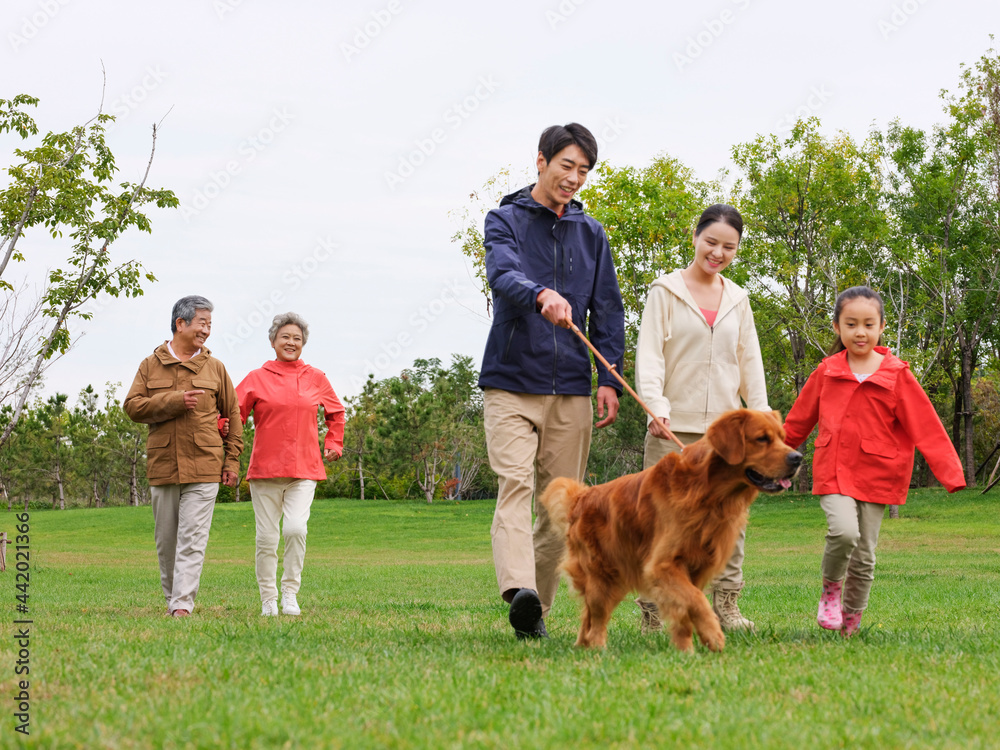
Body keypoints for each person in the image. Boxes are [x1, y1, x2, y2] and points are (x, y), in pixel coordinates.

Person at [478, 122, 625, 640]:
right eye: (567, 166)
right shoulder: (505, 219)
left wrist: (609, 377)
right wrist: (540, 293)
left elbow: (607, 309)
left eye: (584, 170)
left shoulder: (593, 233)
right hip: (511, 382)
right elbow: (502, 273)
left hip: (572, 389)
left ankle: (531, 613)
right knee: (516, 486)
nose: (575, 178)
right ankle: (519, 589)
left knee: (563, 509)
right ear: (541, 161)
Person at [783, 285, 965, 636]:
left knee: (864, 555)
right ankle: (831, 592)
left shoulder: (896, 374)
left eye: (868, 324)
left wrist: (951, 474)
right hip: (833, 469)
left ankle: (850, 623)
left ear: (882, 327)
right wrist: (766, 464)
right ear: (837, 328)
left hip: (878, 474)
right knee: (843, 532)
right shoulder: (827, 371)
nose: (860, 332)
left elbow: (926, 427)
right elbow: (797, 422)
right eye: (851, 324)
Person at [634, 204, 769, 633]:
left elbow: (750, 362)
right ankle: (654, 612)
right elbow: (650, 354)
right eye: (711, 242)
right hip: (673, 427)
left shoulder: (738, 298)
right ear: (695, 237)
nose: (718, 252)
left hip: (728, 436)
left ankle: (727, 606)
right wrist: (656, 406)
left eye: (729, 247)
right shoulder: (665, 291)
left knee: (731, 521)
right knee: (660, 522)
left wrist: (761, 419)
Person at [124, 295, 243, 617]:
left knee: (192, 538)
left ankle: (181, 606)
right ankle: (172, 599)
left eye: (209, 325)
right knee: (167, 542)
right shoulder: (150, 365)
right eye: (202, 323)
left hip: (205, 466)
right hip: (163, 466)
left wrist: (231, 462)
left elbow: (234, 416)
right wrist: (173, 401)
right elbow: (132, 407)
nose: (206, 331)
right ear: (181, 323)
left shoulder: (216, 368)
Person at [235, 312, 344, 617]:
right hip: (264, 471)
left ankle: (290, 593)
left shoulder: (316, 377)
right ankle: (268, 598)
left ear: (303, 343)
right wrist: (222, 435)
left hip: (304, 470)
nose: (291, 342)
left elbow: (336, 413)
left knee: (296, 529)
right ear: (273, 342)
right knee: (267, 537)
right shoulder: (256, 378)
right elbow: (234, 414)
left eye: (297, 338)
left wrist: (333, 443)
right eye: (285, 337)